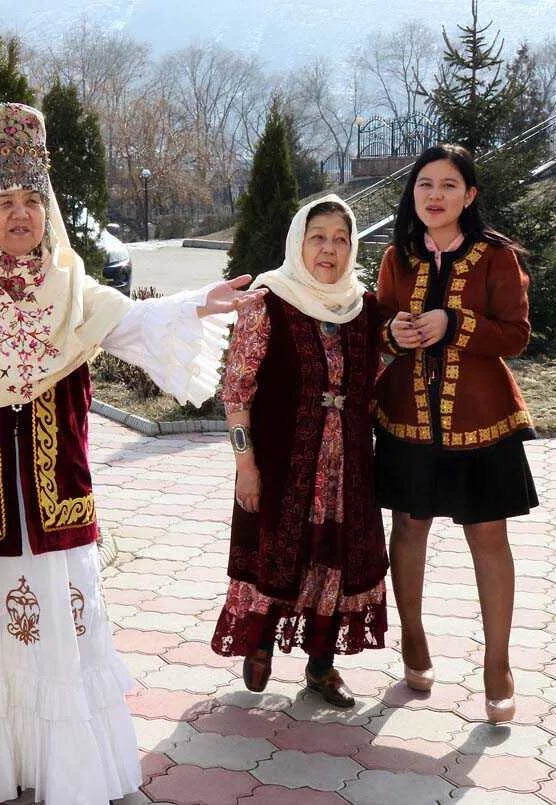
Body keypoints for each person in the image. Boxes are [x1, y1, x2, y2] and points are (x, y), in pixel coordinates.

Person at [0, 102, 249, 805]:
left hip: (50, 501)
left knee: (55, 642)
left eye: (32, 200)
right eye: (4, 201)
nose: (20, 214)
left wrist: (198, 301)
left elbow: (133, 324)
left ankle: (51, 759)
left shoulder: (69, 284)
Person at [375, 143, 537, 724]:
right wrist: (394, 330)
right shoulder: (398, 257)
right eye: (424, 184)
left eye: (448, 185)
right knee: (409, 528)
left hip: (480, 420)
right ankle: (413, 639)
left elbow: (515, 334)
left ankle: (498, 663)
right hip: (408, 420)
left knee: (488, 539)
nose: (434, 196)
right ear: (412, 193)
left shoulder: (496, 257)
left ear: (469, 196)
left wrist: (455, 323)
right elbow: (379, 326)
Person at [211, 196, 389, 708]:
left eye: (340, 238)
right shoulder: (269, 299)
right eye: (318, 237)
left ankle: (321, 667)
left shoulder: (363, 307)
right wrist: (245, 465)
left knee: (333, 561)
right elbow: (237, 390)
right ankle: (261, 643)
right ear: (298, 242)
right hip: (283, 463)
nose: (329, 249)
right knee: (277, 552)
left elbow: (370, 379)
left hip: (345, 466)